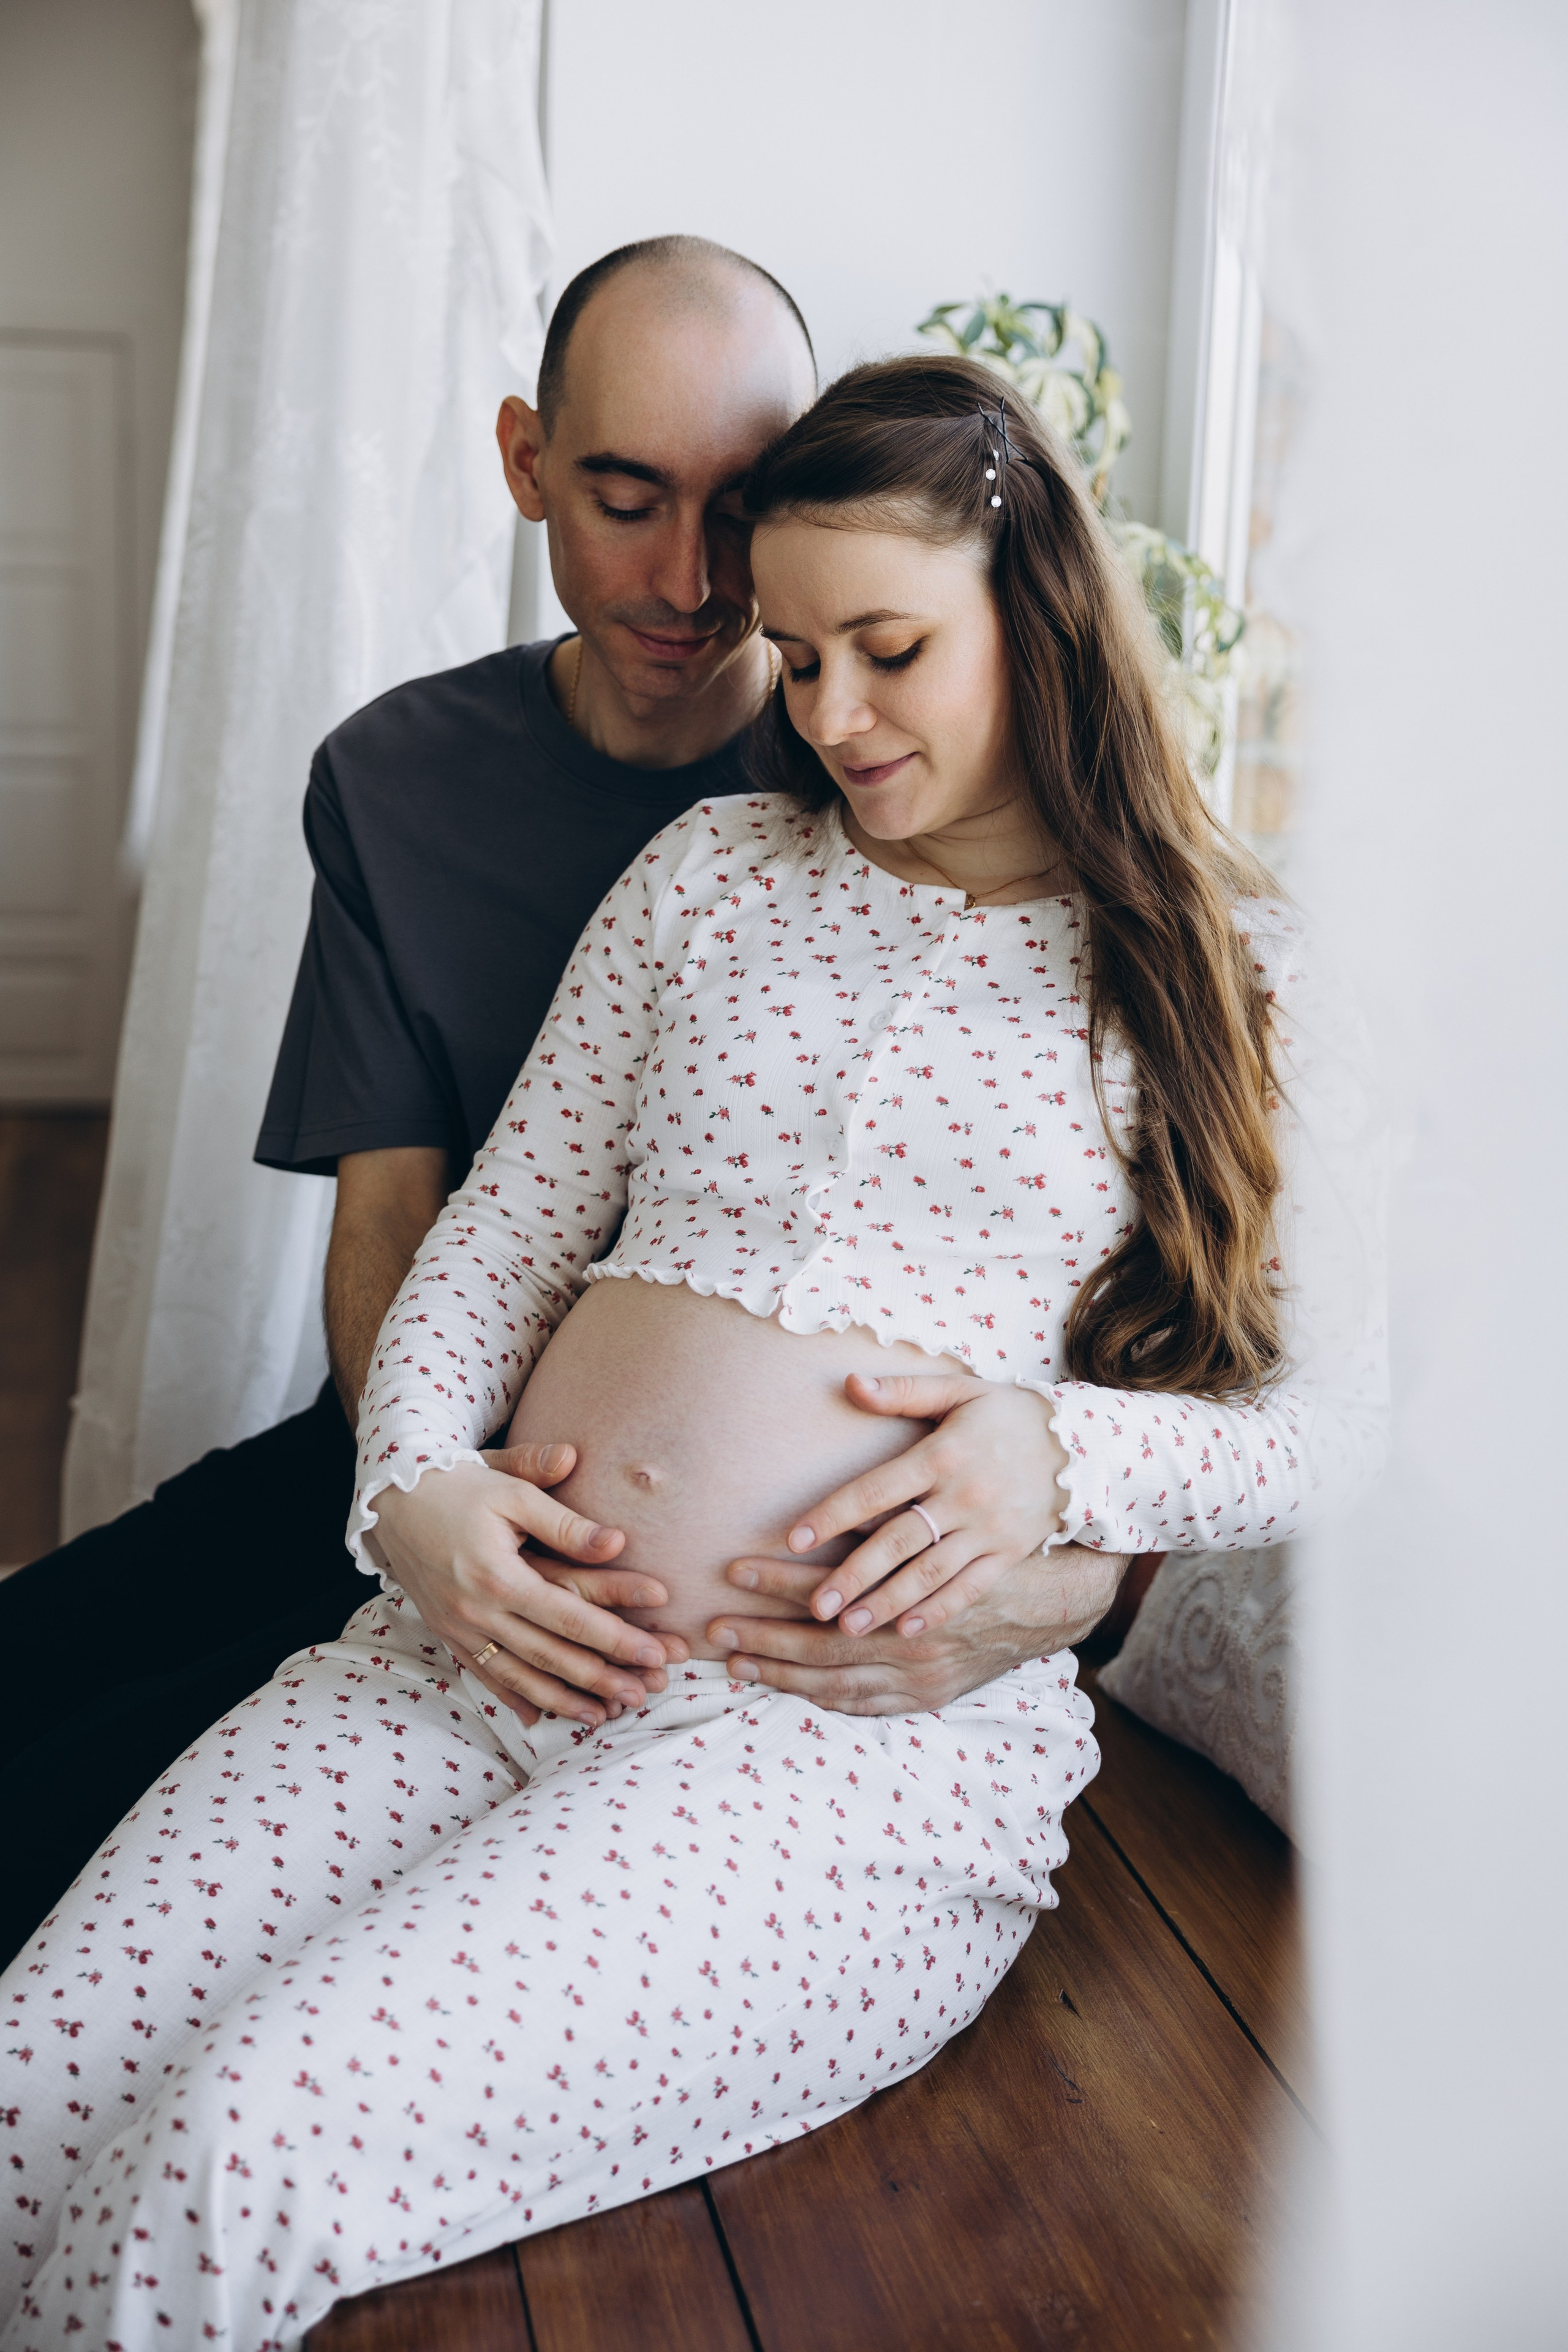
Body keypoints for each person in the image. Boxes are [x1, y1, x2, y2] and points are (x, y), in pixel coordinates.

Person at [0, 352, 1376, 2351]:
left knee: (238, 2150)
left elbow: (1341, 1415)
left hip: (827, 1764)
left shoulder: (1238, 971)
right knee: (28, 2070)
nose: (832, 717)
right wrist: (415, 1492)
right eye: (796, 659)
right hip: (471, 1652)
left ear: (1042, 609)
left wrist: (1056, 1457)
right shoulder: (711, 880)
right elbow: (499, 1238)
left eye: (890, 650)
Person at [0, 238, 1126, 1966]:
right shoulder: (400, 779)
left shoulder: (900, 776)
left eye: (739, 510)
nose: (691, 579)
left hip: (758, 1625)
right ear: (527, 463)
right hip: (438, 1450)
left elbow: (1140, 1279)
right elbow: (399, 1215)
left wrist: (1056, 1592)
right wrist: (428, 1506)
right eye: (624, 497)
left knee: (94, 1833)